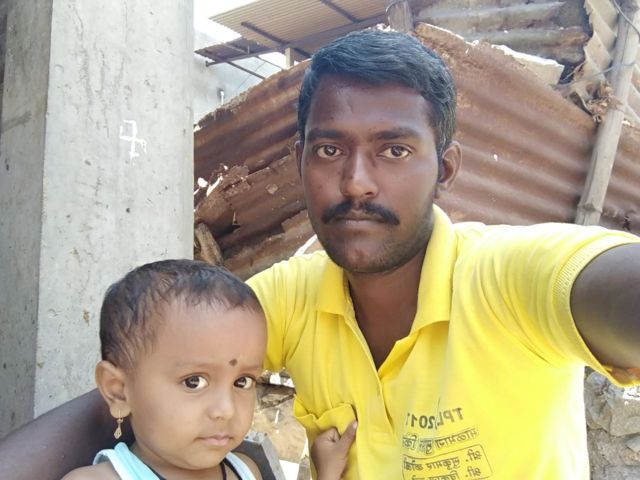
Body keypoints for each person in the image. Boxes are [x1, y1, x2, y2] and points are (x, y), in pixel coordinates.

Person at [1, 28, 639, 479]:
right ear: (302, 161)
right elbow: (140, 387)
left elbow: (608, 286)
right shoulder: (290, 297)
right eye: (330, 150)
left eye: (394, 151)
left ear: (445, 169)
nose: (356, 182)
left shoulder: (511, 276)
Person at [61, 259, 267, 479]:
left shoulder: (246, 471)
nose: (226, 410)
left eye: (242, 381)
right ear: (119, 391)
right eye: (194, 382)